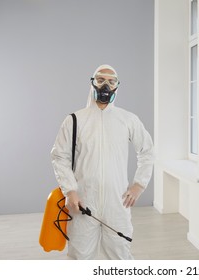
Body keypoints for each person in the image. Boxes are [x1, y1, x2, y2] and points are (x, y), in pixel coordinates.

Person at [50, 64, 154, 259]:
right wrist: (70, 191)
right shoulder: (75, 120)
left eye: (111, 81)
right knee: (80, 257)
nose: (105, 85)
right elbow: (59, 156)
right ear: (92, 83)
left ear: (117, 86)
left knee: (119, 256)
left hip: (117, 201)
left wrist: (139, 185)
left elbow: (147, 151)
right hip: (82, 200)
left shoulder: (128, 120)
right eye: (100, 80)